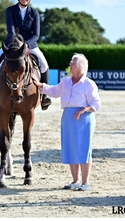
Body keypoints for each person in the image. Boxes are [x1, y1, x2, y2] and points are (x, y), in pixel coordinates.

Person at [32, 53, 102, 191]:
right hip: (68, 117)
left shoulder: (89, 84)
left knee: (84, 149)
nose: (70, 64)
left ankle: (86, 182)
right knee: (71, 148)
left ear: (80, 67)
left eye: (73, 63)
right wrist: (40, 85)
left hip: (84, 118)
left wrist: (85, 109)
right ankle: (75, 181)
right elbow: (54, 91)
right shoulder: (65, 81)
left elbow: (97, 103)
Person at [0, 0, 52, 110]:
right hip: (13, 43)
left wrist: (26, 44)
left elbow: (36, 34)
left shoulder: (34, 13)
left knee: (44, 64)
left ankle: (44, 96)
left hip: (30, 45)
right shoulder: (10, 10)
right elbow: (11, 30)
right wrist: (17, 44)